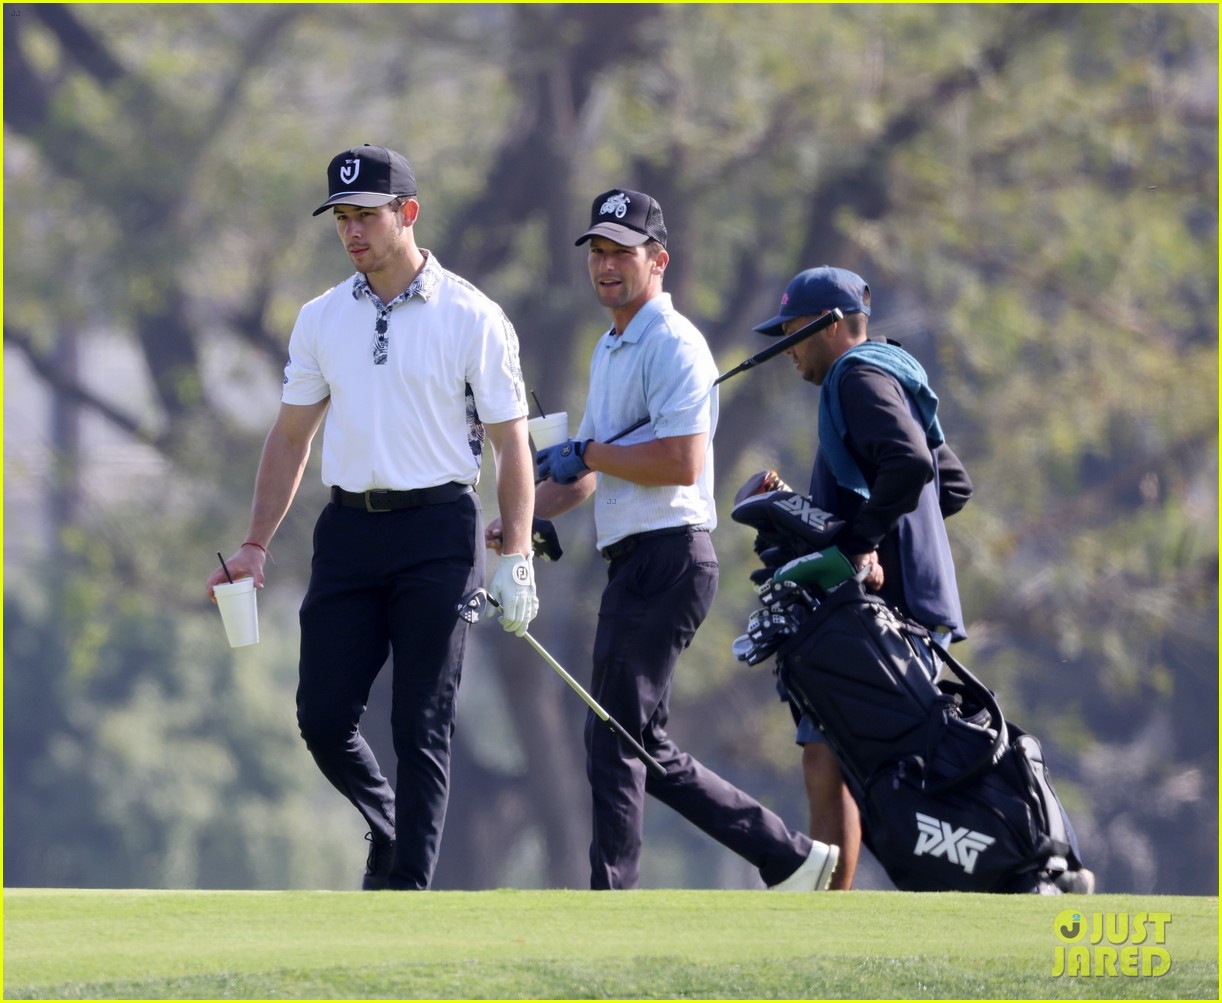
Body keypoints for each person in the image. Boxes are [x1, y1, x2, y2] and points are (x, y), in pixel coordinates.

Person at [206, 144, 538, 891]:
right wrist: (255, 545)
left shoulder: (472, 316)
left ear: (407, 214)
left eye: (365, 216)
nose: (351, 231)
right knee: (322, 713)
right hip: (349, 531)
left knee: (422, 721)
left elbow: (514, 448)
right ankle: (388, 824)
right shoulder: (322, 318)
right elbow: (292, 436)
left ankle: (406, 890)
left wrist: (516, 557)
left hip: (439, 532)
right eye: (341, 219)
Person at [489, 188, 837, 891]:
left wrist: (590, 451)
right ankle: (789, 856)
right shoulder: (613, 346)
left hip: (670, 553)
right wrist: (526, 518)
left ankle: (615, 895)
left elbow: (680, 459)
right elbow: (591, 472)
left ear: (659, 260)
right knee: (633, 739)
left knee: (616, 737)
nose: (606, 265)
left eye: (622, 251)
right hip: (637, 558)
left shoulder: (675, 343)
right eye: (597, 251)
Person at [751, 266, 972, 889]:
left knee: (840, 758)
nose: (787, 348)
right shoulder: (891, 374)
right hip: (913, 606)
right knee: (835, 755)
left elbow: (908, 466)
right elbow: (950, 483)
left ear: (826, 326)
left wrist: (861, 542)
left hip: (889, 613)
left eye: (792, 331)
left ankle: (835, 913)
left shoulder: (856, 377)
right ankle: (836, 906)